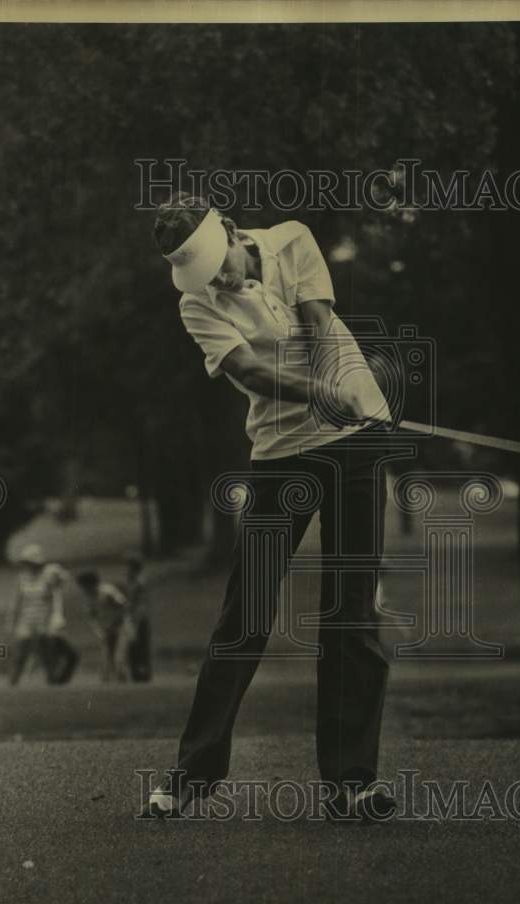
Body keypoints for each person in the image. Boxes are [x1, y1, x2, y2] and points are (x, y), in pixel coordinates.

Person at [144, 193, 396, 822]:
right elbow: (251, 372)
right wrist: (317, 394)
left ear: (232, 231)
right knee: (246, 611)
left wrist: (336, 394)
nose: (220, 282)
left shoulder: (293, 239)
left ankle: (351, 784)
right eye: (205, 277)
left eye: (220, 266)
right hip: (281, 454)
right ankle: (193, 775)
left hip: (357, 438)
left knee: (351, 610)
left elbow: (318, 324)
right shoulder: (195, 302)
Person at [6, 544, 78, 685]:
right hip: (26, 620)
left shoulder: (47, 576)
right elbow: (16, 601)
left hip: (45, 620)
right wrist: (11, 621)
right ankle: (13, 682)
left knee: (47, 653)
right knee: (20, 652)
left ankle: (52, 681)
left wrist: (56, 572)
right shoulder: (22, 579)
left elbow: (62, 583)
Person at [75, 570, 132, 683]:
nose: (84, 589)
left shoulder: (107, 591)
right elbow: (91, 617)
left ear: (92, 584)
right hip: (106, 629)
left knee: (119, 658)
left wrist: (117, 622)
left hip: (120, 626)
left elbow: (124, 606)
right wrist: (100, 631)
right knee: (106, 659)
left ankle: (122, 681)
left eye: (85, 586)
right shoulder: (88, 597)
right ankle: (106, 682)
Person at [125, 556, 152, 682]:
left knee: (139, 647)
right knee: (135, 648)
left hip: (138, 618)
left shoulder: (138, 583)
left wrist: (135, 620)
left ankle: (142, 674)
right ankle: (137, 674)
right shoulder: (133, 582)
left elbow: (138, 604)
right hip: (135, 617)